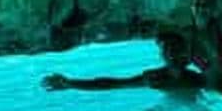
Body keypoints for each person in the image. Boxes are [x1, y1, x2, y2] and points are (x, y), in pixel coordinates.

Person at [41, 30, 204, 93]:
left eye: (174, 49)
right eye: (167, 50)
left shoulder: (197, 79)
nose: (171, 54)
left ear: (184, 53)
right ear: (162, 55)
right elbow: (111, 83)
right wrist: (70, 83)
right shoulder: (154, 78)